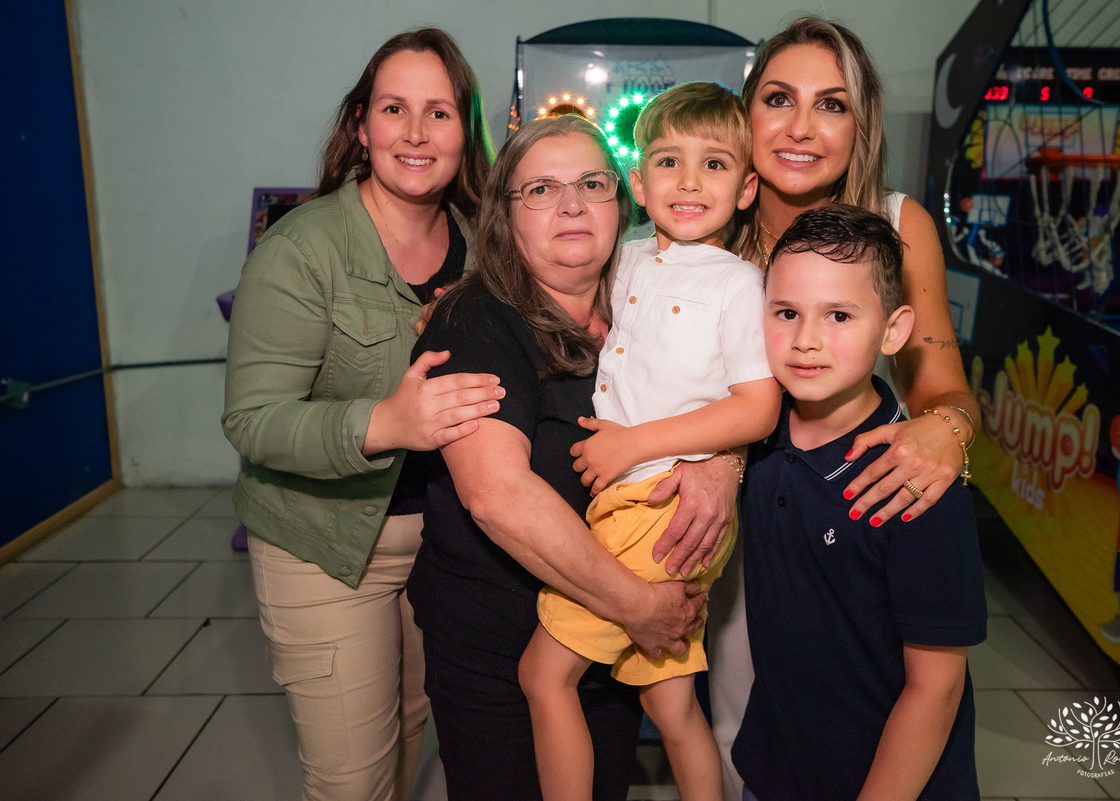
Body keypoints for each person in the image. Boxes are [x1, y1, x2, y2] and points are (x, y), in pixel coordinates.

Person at [407, 114, 740, 801]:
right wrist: (638, 605)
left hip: (614, 639)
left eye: (593, 183)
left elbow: (735, 393)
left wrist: (723, 460)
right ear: (504, 216)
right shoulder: (476, 321)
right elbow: (498, 496)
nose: (571, 204)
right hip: (503, 644)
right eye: (541, 189)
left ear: (624, 202)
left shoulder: (648, 302)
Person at [707, 20, 983, 798]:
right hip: (745, 524)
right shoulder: (705, 230)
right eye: (778, 99)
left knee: (882, 694)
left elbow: (943, 384)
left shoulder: (898, 228)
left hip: (855, 508)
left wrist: (944, 430)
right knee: (749, 732)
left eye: (830, 104)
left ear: (859, 124)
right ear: (746, 113)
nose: (800, 127)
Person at [222, 29, 499, 801]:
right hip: (325, 545)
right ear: (361, 126)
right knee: (354, 779)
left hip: (443, 544)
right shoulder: (301, 251)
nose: (415, 133)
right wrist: (386, 423)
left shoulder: (485, 248)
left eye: (438, 112)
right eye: (394, 109)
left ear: (464, 131)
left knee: (408, 737)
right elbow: (253, 419)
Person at [516, 83, 779, 801]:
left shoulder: (738, 284)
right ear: (638, 182)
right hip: (628, 500)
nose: (689, 181)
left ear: (748, 187)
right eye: (668, 161)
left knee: (544, 674)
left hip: (661, 500)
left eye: (715, 165)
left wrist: (635, 445)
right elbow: (567, 297)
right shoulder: (630, 257)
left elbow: (757, 408)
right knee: (670, 705)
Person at [734, 205, 988, 801]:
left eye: (839, 315)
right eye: (787, 312)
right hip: (775, 771)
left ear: (894, 330)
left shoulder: (915, 479)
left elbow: (937, 686)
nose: (806, 340)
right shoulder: (754, 438)